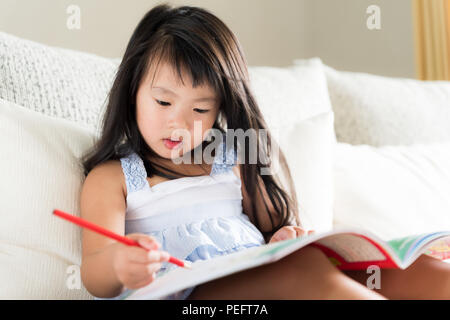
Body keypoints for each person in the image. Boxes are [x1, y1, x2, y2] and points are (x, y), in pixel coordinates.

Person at [79, 4, 450, 300]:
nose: (179, 123)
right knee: (302, 272)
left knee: (422, 273)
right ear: (132, 91)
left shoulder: (231, 156)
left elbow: (269, 232)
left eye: (201, 110)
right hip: (194, 294)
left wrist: (283, 238)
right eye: (163, 101)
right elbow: (95, 273)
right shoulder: (115, 178)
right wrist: (119, 264)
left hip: (266, 278)